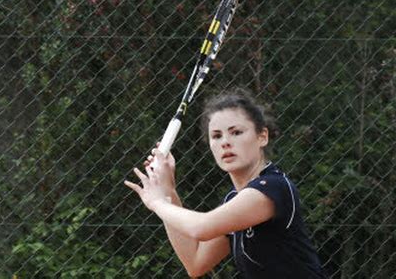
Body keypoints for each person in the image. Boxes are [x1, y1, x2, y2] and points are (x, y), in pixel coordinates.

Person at [124, 89, 325, 278]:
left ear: (262, 137)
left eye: (236, 132)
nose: (225, 142)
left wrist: (158, 203)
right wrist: (167, 188)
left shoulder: (272, 187)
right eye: (216, 136)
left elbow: (202, 227)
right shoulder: (235, 198)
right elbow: (195, 262)